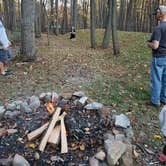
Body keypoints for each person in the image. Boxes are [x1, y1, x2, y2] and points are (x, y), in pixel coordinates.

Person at [146, 5, 166, 107]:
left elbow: (155, 46)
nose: (155, 15)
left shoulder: (159, 28)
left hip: (159, 57)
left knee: (156, 80)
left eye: (157, 13)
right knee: (165, 79)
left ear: (160, 14)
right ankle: (164, 99)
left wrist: (148, 43)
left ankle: (155, 101)